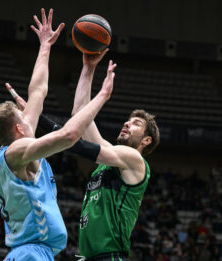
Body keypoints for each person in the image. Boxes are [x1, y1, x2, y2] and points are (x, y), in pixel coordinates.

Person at [0, 8, 117, 260]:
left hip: (37, 251)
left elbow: (37, 91)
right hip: (29, 253)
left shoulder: (21, 140)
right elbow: (69, 136)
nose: (29, 113)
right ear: (18, 127)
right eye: (23, 116)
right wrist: (102, 95)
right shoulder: (16, 152)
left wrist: (45, 46)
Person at [71, 51, 160, 260]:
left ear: (147, 141)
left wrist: (43, 124)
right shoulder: (111, 158)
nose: (127, 123)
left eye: (136, 124)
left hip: (109, 256)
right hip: (87, 256)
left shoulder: (135, 160)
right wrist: (88, 68)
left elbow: (81, 145)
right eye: (127, 120)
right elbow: (79, 115)